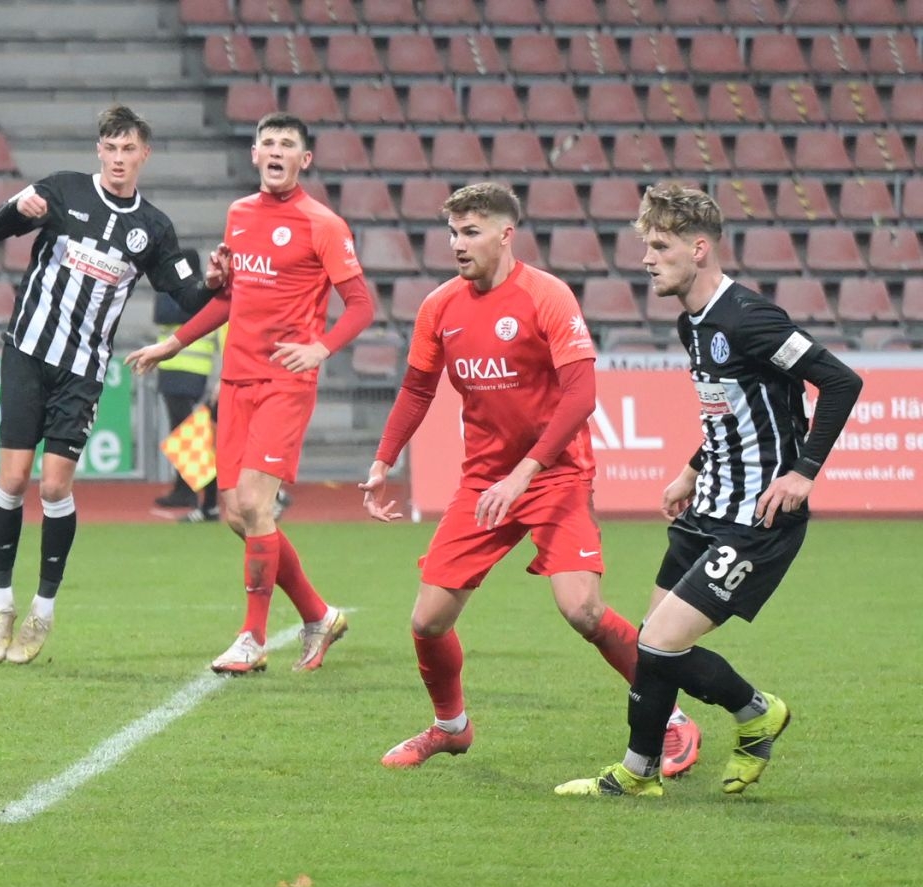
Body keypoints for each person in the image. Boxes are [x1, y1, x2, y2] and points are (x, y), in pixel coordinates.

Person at [360, 182, 701, 772]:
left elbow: (581, 394)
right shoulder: (440, 306)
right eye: (452, 233)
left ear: (504, 234)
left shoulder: (547, 295)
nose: (457, 245)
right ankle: (451, 727)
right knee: (427, 620)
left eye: (470, 232)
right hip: (484, 480)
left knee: (583, 611)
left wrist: (526, 471)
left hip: (555, 474)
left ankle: (670, 718)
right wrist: (382, 460)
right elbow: (418, 388)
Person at [557, 184, 862, 798]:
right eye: (645, 244)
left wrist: (803, 472)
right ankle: (709, 738)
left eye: (660, 245)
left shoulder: (749, 317)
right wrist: (693, 470)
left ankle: (690, 747)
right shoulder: (691, 323)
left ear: (699, 249)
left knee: (658, 642)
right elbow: (731, 413)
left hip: (758, 517)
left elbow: (840, 381)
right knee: (654, 646)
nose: (646, 257)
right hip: (708, 506)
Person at [126, 112, 371, 676]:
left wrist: (321, 348)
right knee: (237, 515)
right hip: (235, 380)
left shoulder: (322, 224)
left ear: (304, 160)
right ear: (256, 155)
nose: (277, 150)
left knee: (257, 506)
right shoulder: (238, 215)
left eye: (289, 144)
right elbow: (232, 299)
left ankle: (251, 639)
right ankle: (319, 614)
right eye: (269, 143)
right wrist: (174, 342)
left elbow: (361, 306)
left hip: (286, 380)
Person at [0, 104, 215, 665]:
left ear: (144, 155)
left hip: (82, 370)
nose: (118, 159)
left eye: (128, 149)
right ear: (98, 152)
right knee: (12, 479)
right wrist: (17, 208)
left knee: (55, 489)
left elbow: (191, 300)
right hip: (27, 352)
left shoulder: (153, 228)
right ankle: (1, 602)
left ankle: (43, 611)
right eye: (110, 148)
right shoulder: (60, 191)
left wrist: (217, 282)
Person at [148, 291, 220, 518]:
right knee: (183, 432)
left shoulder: (199, 291)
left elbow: (165, 313)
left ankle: (206, 497)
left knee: (190, 434)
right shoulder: (199, 293)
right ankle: (190, 490)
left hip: (189, 370)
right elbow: (163, 314)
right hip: (176, 369)